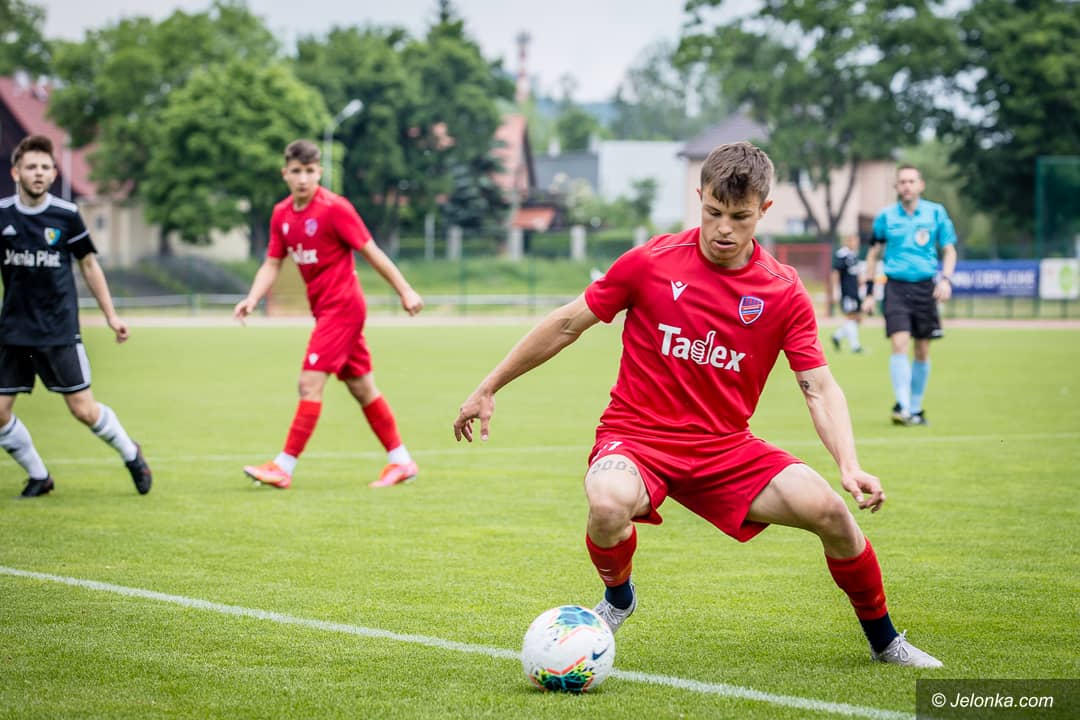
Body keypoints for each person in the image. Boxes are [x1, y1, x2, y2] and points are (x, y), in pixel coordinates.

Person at [453, 142, 941, 667]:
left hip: (726, 450)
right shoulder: (651, 262)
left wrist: (849, 463)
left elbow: (818, 386)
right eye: (713, 212)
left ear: (764, 210)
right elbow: (568, 323)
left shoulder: (782, 291)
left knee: (831, 513)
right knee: (608, 503)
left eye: (740, 217)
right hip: (637, 440)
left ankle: (886, 641)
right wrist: (489, 385)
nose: (723, 229)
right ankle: (618, 598)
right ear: (699, 197)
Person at [234, 139, 424, 489]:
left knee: (309, 384)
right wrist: (253, 297)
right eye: (296, 171)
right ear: (285, 173)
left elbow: (372, 252)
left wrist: (405, 290)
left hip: (343, 308)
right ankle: (401, 461)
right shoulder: (281, 215)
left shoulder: (335, 208)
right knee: (362, 388)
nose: (303, 178)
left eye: (310, 171)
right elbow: (272, 263)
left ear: (319, 171)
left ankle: (283, 467)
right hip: (325, 311)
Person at [0, 134, 152, 498]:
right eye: (31, 167)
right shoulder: (2, 214)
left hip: (58, 331)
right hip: (14, 331)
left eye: (45, 167)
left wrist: (111, 316)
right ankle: (39, 476)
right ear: (16, 172)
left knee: (83, 410)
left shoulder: (66, 215)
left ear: (54, 174)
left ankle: (131, 454)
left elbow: (89, 265)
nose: (39, 173)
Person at [861, 165, 957, 427]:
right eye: (902, 181)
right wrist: (869, 293)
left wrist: (945, 279)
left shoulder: (936, 213)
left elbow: (949, 250)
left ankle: (915, 407)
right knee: (899, 342)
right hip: (895, 287)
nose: (907, 186)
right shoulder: (885, 217)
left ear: (920, 185)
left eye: (911, 181)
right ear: (896, 187)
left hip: (926, 287)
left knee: (922, 349)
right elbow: (873, 254)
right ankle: (902, 406)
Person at [829, 234, 865, 353]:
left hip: (855, 291)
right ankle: (855, 346)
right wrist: (835, 291)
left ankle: (837, 336)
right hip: (847, 292)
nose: (856, 244)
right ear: (848, 241)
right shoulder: (842, 255)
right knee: (851, 316)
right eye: (854, 241)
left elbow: (856, 273)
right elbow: (835, 273)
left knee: (857, 318)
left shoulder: (854, 255)